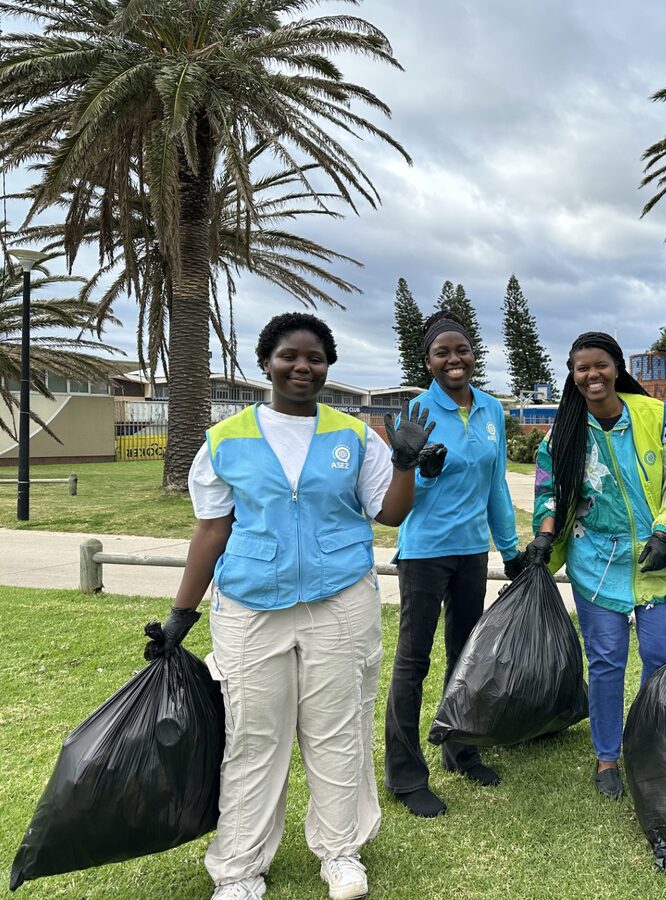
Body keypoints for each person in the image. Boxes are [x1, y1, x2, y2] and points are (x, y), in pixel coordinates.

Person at [150, 312, 433, 900]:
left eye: (315, 358)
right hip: (253, 608)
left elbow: (391, 514)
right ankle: (239, 868)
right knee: (254, 738)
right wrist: (183, 612)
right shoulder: (225, 440)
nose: (302, 366)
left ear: (328, 366)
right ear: (266, 363)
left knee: (339, 730)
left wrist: (404, 464)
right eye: (289, 356)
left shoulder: (353, 435)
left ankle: (341, 852)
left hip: (340, 603)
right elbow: (212, 529)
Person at [526, 331, 666, 800]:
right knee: (605, 663)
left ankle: (653, 746)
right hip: (596, 561)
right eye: (581, 368)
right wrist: (543, 536)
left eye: (599, 365)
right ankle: (607, 757)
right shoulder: (562, 431)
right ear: (572, 375)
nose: (591, 375)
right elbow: (547, 489)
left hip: (657, 559)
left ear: (617, 367)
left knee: (661, 660)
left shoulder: (655, 417)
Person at [383, 310, 524, 819]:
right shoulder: (417, 413)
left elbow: (496, 487)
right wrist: (425, 473)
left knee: (465, 658)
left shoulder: (489, 410)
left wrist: (509, 551)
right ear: (428, 361)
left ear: (473, 354)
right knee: (413, 663)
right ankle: (404, 774)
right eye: (441, 352)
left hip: (470, 553)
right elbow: (398, 495)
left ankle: (460, 749)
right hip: (423, 554)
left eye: (460, 350)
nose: (453, 359)